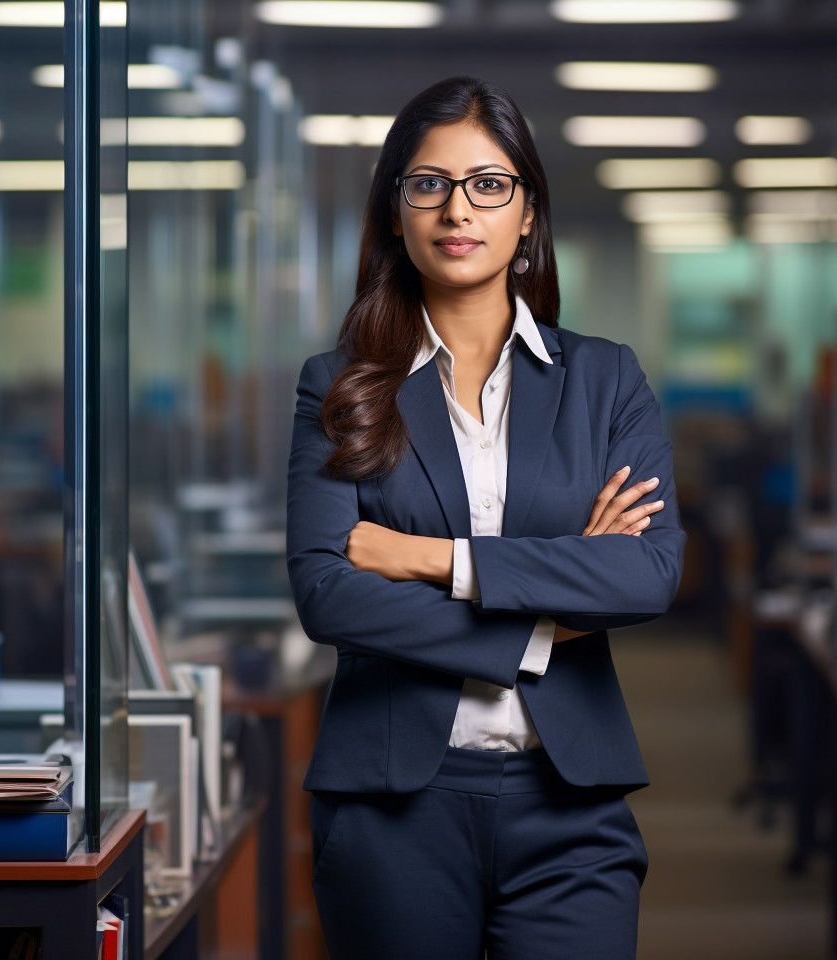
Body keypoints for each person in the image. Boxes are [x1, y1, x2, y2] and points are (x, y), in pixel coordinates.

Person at [286, 76, 685, 960]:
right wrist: (544, 627)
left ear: (528, 213)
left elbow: (647, 573)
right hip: (393, 808)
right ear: (396, 211)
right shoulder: (339, 384)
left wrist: (431, 559)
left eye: (488, 184)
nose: (456, 209)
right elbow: (328, 594)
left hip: (571, 806)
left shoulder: (606, 380)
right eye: (427, 183)